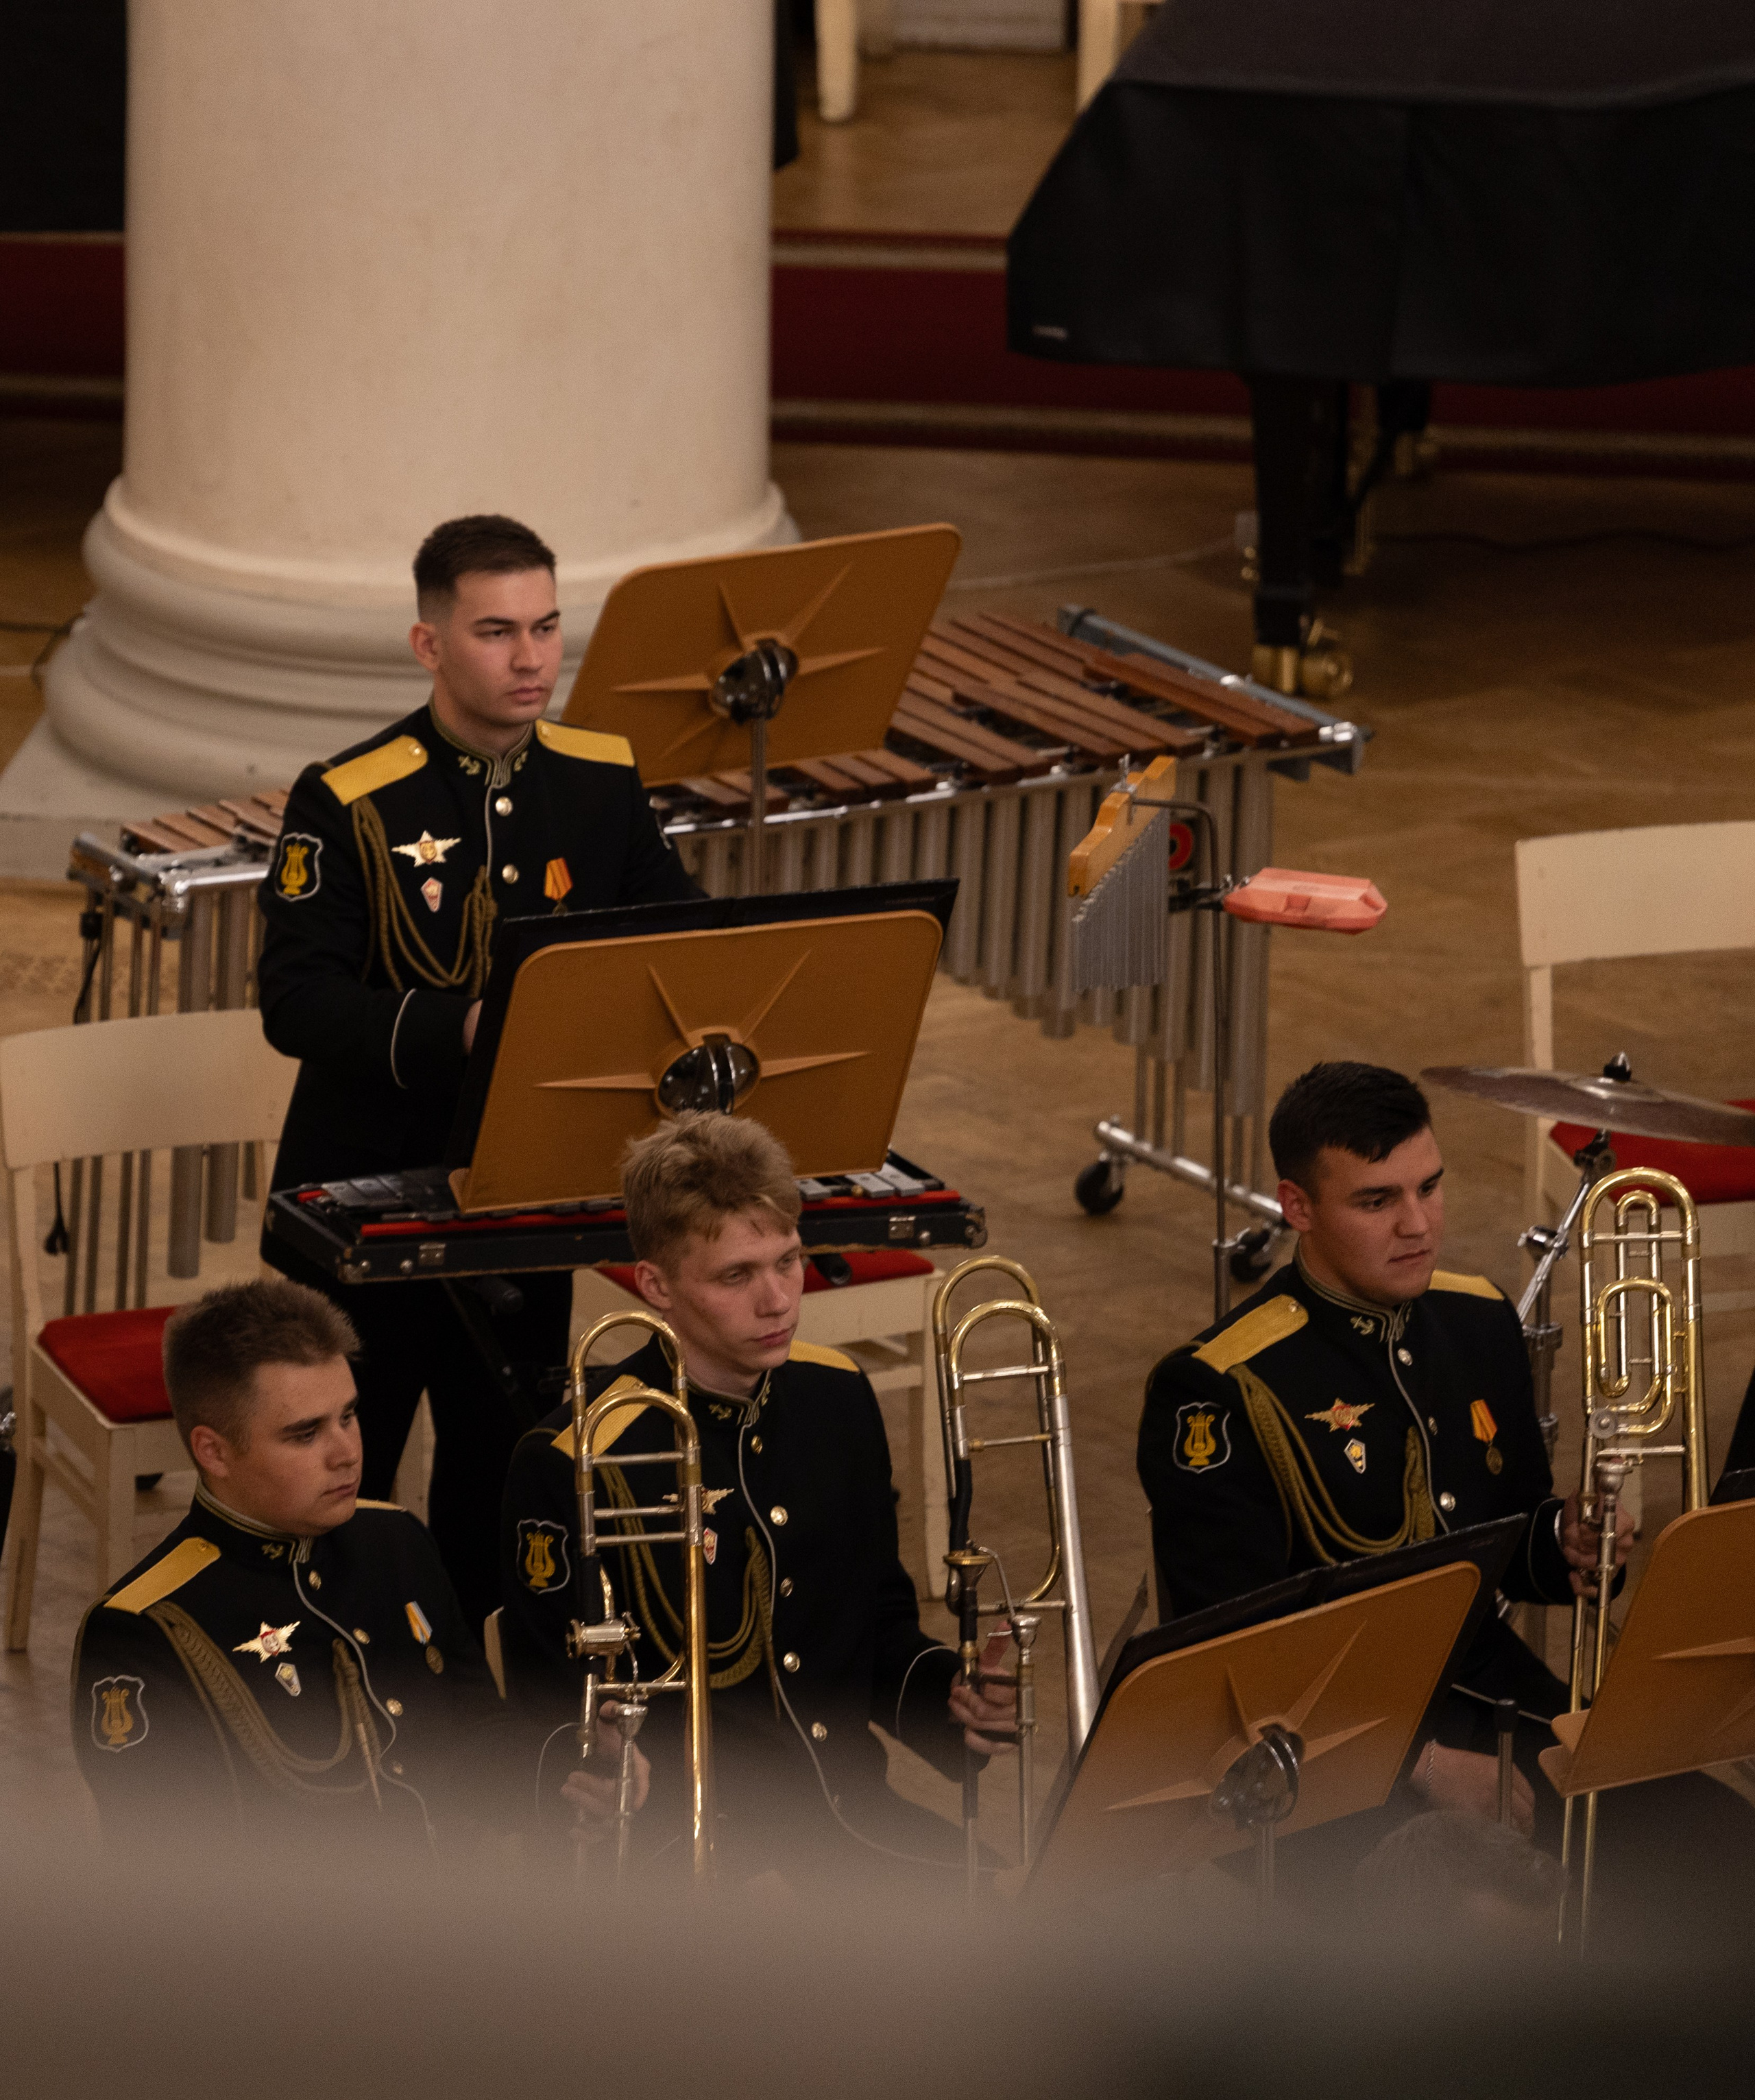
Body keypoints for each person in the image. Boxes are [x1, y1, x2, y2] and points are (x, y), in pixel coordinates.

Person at [256, 513, 697, 1634]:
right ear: (429, 644)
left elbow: (676, 941)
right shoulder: (346, 797)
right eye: (497, 630)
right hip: (363, 1200)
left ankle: (482, 1720)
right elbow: (297, 1000)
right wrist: (461, 1030)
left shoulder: (599, 781)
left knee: (497, 1488)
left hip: (516, 1196)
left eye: (548, 626)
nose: (531, 658)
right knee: (337, 1487)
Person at [498, 1111, 1015, 1884]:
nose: (778, 1299)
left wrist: (952, 1694)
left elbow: (874, 1625)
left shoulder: (836, 1396)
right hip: (681, 1859)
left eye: (788, 1261)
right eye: (736, 1276)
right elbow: (551, 1710)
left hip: (845, 1819)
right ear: (655, 1287)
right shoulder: (573, 1460)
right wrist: (604, 1757)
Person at [71, 1279, 505, 1847]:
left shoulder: (396, 1541)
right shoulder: (142, 1633)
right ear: (214, 1450)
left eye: (348, 1416)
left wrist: (570, 1773)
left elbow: (483, 1737)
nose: (346, 1451)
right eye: (305, 1434)